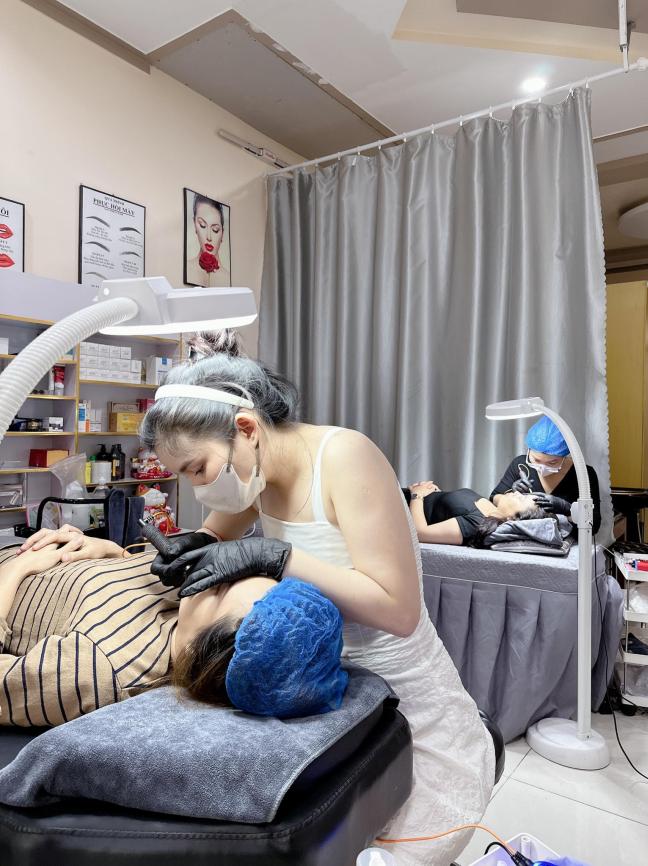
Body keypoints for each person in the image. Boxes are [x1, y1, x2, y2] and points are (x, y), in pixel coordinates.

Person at [137, 331, 495, 866]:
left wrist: (275, 558)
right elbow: (215, 538)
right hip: (318, 684)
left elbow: (398, 611)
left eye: (197, 469)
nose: (196, 487)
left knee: (400, 844)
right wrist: (190, 548)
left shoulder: (345, 457)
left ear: (246, 429)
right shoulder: (253, 475)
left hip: (401, 693)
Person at [2, 529, 343, 725]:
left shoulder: (100, 668)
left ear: (202, 653)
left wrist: (17, 570)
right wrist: (108, 551)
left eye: (221, 587)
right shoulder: (183, 602)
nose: (215, 572)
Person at [490, 416, 601, 536]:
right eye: (536, 460)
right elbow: (493, 498)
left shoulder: (584, 474)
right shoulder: (520, 465)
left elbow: (594, 526)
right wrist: (510, 494)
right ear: (529, 450)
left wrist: (568, 509)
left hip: (566, 541)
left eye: (552, 462)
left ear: (564, 456)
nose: (542, 467)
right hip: (523, 538)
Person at [403, 483, 546, 546]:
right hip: (405, 498)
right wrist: (434, 493)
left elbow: (419, 534)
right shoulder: (490, 507)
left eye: (521, 499)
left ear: (513, 518)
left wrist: (417, 495)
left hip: (402, 512)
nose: (517, 493)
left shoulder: (477, 523)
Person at [185, 193, 231, 288]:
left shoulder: (227, 278)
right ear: (194, 224)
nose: (209, 237)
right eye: (202, 225)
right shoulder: (187, 268)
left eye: (215, 230)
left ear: (222, 233)